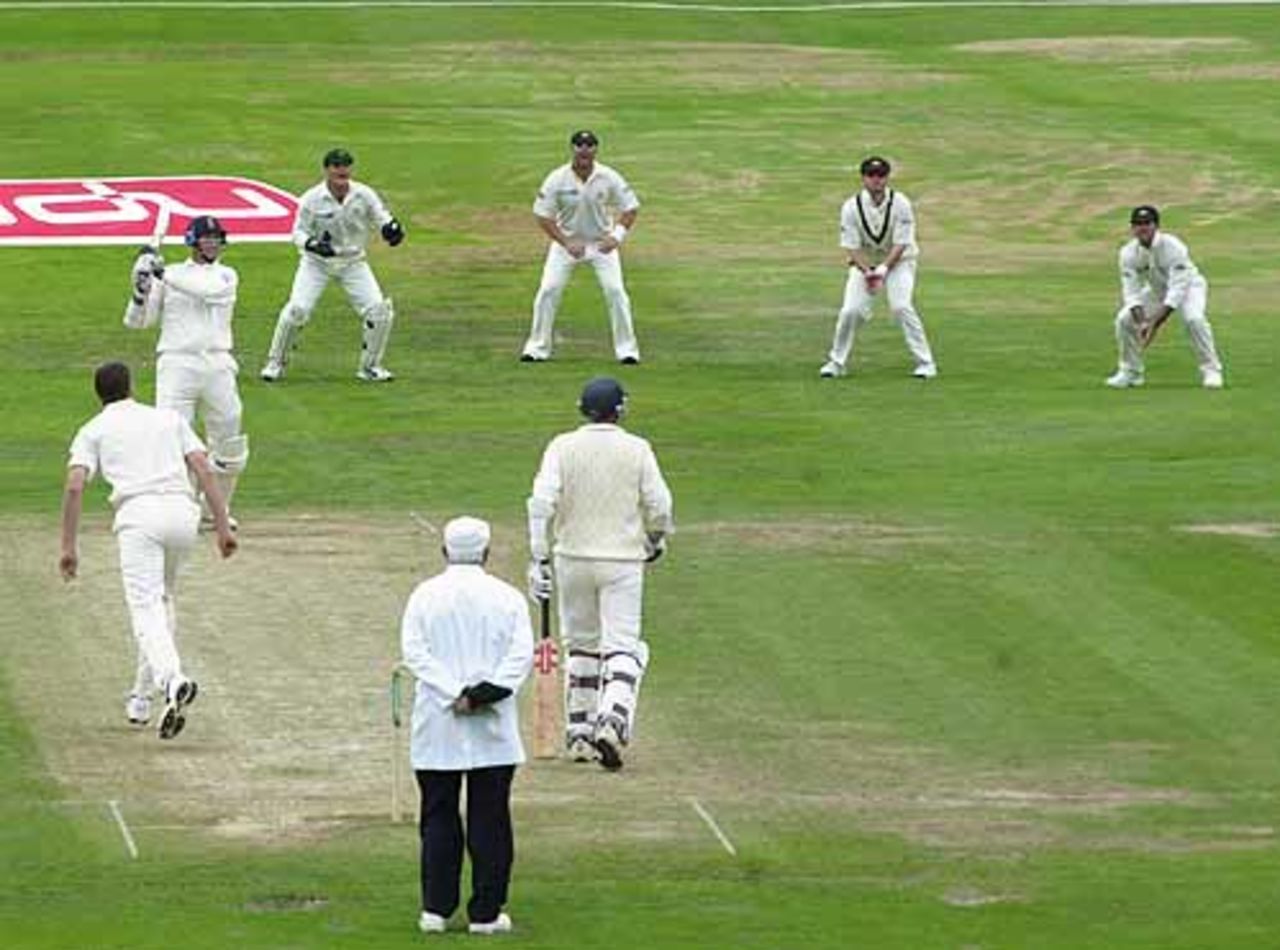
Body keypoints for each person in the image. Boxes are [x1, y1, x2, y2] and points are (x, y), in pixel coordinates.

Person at [59, 362, 238, 740]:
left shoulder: (93, 429)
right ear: (131, 387)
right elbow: (203, 468)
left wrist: (68, 548)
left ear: (98, 394)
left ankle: (172, 680)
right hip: (182, 514)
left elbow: (75, 486)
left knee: (145, 609)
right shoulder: (167, 418)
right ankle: (141, 700)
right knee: (162, 600)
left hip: (139, 518)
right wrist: (222, 526)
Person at [526, 377, 673, 771]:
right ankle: (612, 718)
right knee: (623, 647)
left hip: (571, 558)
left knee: (582, 645)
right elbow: (660, 505)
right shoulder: (637, 448)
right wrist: (655, 538)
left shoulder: (561, 446)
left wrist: (538, 557)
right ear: (620, 411)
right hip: (622, 560)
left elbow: (540, 502)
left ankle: (578, 732)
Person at [400, 517, 533, 936]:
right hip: (491, 725)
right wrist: (479, 696)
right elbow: (520, 659)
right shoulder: (508, 598)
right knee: (490, 818)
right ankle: (486, 914)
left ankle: (435, 910)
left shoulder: (424, 596)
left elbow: (414, 653)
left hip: (438, 723)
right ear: (486, 553)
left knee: (438, 814)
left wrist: (454, 693)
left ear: (444, 551)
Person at [125, 214, 248, 527]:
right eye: (207, 238)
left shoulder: (226, 276)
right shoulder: (171, 274)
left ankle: (215, 510)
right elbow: (139, 322)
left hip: (218, 363)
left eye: (217, 239)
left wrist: (160, 273)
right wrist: (139, 290)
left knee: (231, 444)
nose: (213, 244)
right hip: (177, 363)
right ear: (193, 241)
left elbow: (207, 292)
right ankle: (179, 509)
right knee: (170, 438)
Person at [260, 148, 405, 383]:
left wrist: (391, 229)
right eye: (337, 167)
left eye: (345, 168)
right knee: (297, 310)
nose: (342, 172)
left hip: (353, 262)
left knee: (379, 311)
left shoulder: (364, 194)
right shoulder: (312, 199)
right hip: (316, 263)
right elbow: (298, 232)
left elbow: (382, 216)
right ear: (327, 170)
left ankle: (370, 367)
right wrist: (313, 245)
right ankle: (275, 363)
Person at [520, 130, 642, 365]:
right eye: (579, 145)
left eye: (589, 145)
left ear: (596, 149)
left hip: (601, 245)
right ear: (572, 149)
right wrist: (565, 242)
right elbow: (542, 215)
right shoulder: (557, 178)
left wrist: (616, 236)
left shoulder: (609, 176)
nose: (584, 150)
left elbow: (631, 208)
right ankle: (536, 349)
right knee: (548, 290)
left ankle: (627, 351)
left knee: (616, 292)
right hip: (566, 245)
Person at [819, 155, 938, 380]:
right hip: (865, 264)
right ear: (863, 178)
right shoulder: (851, 207)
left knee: (901, 307)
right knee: (851, 311)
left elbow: (902, 243)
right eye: (871, 175)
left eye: (881, 175)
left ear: (887, 178)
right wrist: (867, 272)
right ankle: (836, 362)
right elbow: (851, 247)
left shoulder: (901, 203)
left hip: (900, 262)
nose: (876, 179)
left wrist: (883, 270)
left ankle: (926, 363)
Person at [1106, 205, 1224, 389]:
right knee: (1124, 320)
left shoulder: (1173, 246)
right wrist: (1141, 322)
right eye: (1137, 224)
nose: (1142, 228)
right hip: (1157, 290)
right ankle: (1131, 372)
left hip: (1189, 287)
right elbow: (1131, 291)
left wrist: (1154, 323)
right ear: (1132, 228)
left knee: (1194, 319)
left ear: (1156, 226)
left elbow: (1177, 290)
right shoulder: (1128, 253)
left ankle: (1211, 370)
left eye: (1147, 223)